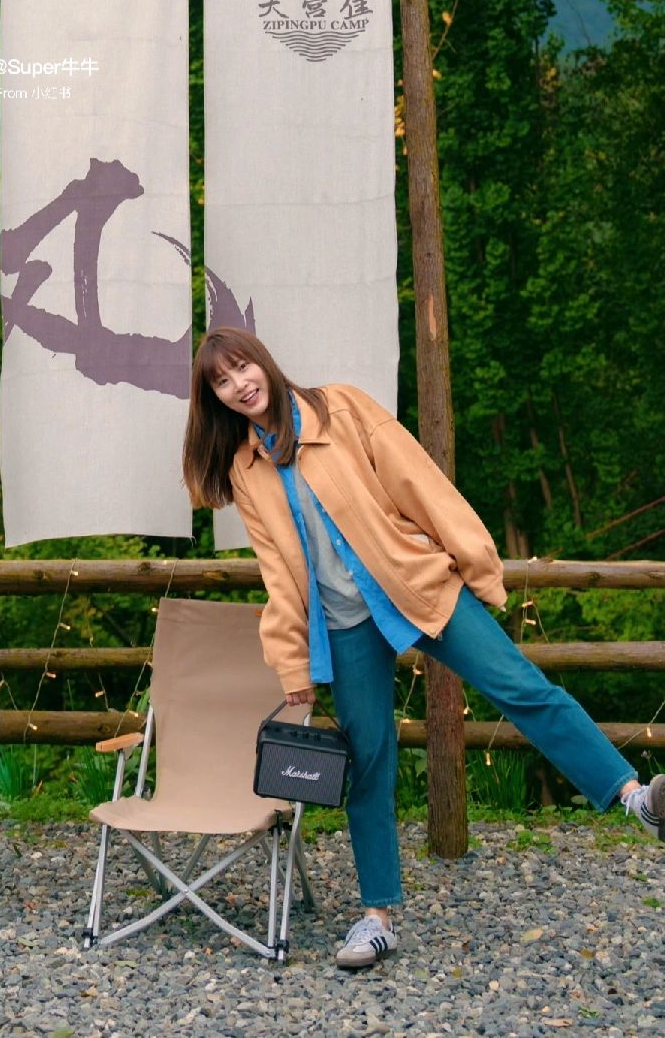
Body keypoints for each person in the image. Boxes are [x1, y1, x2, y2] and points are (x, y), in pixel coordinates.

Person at [182, 325, 665, 973]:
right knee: (370, 760)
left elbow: (420, 484)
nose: (239, 384)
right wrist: (291, 661)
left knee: (522, 687)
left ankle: (634, 797)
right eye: (222, 381)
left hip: (416, 586)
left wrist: (476, 563)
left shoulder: (341, 408)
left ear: (263, 363)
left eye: (243, 367)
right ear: (214, 397)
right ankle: (377, 916)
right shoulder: (246, 469)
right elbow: (279, 574)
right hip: (345, 623)